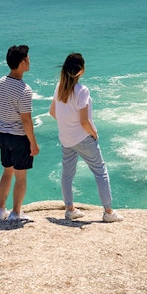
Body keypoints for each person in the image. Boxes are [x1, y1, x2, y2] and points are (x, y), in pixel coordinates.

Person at [49, 53, 123, 223]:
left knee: (67, 174)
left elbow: (52, 112)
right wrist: (93, 133)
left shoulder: (59, 87)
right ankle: (109, 212)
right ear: (81, 71)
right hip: (83, 138)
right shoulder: (82, 91)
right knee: (100, 172)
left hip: (65, 139)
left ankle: (70, 209)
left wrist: (67, 124)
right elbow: (84, 121)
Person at [0, 44, 39, 221]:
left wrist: (5, 124)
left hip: (2, 134)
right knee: (21, 176)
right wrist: (33, 143)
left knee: (7, 172)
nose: (29, 61)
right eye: (27, 59)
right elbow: (26, 120)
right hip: (19, 137)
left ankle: (0, 210)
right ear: (21, 63)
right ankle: (16, 213)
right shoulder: (24, 90)